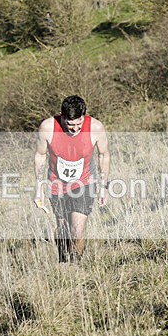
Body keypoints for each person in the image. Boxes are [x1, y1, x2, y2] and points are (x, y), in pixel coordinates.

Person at [34, 95, 110, 263]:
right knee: (62, 229)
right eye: (70, 124)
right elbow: (40, 156)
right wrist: (39, 188)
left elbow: (104, 155)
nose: (75, 129)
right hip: (56, 184)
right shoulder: (48, 127)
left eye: (79, 124)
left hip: (84, 183)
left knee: (78, 230)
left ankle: (75, 267)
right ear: (62, 117)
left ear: (84, 116)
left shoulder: (95, 127)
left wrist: (103, 187)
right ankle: (63, 261)